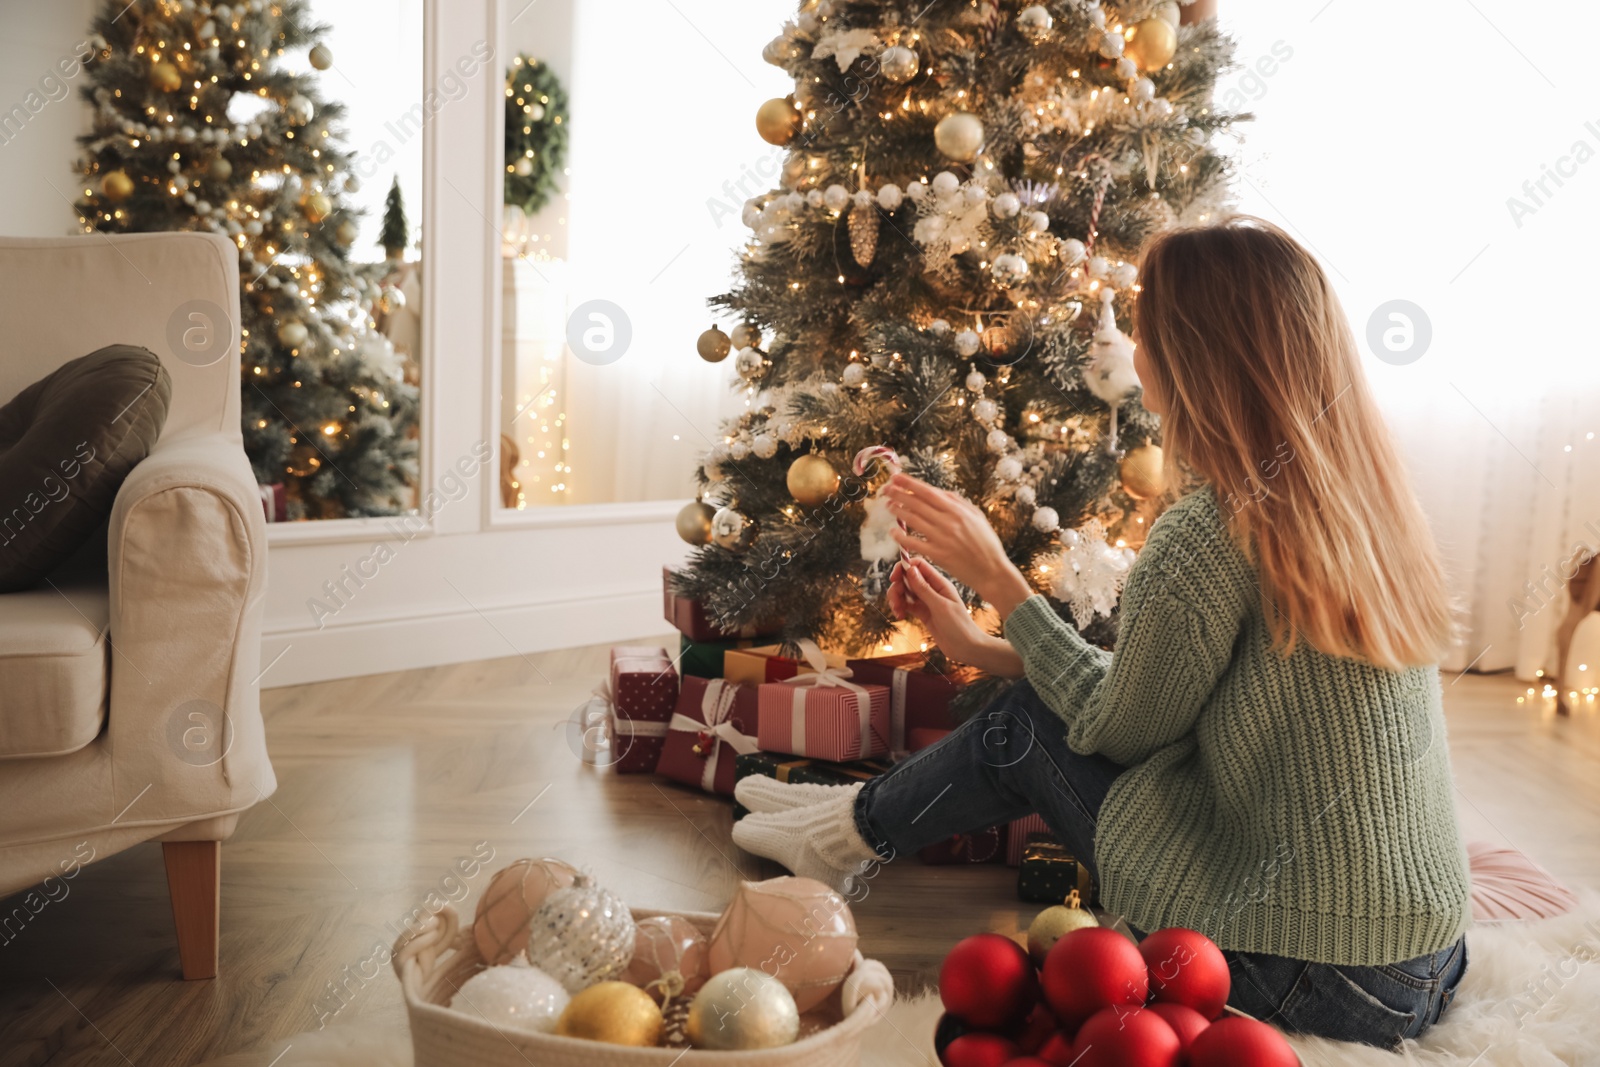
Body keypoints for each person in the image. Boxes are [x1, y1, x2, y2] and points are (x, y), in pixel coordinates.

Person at [731, 216, 1470, 1049]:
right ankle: (854, 819)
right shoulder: (1361, 506)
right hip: (1423, 960)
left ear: (1198, 353)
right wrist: (981, 647)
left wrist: (997, 576)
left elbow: (1120, 727)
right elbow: (1159, 694)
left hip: (1316, 975)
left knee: (1023, 726)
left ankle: (842, 835)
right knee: (1033, 706)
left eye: (1145, 325)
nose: (1129, 343)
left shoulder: (1212, 527)